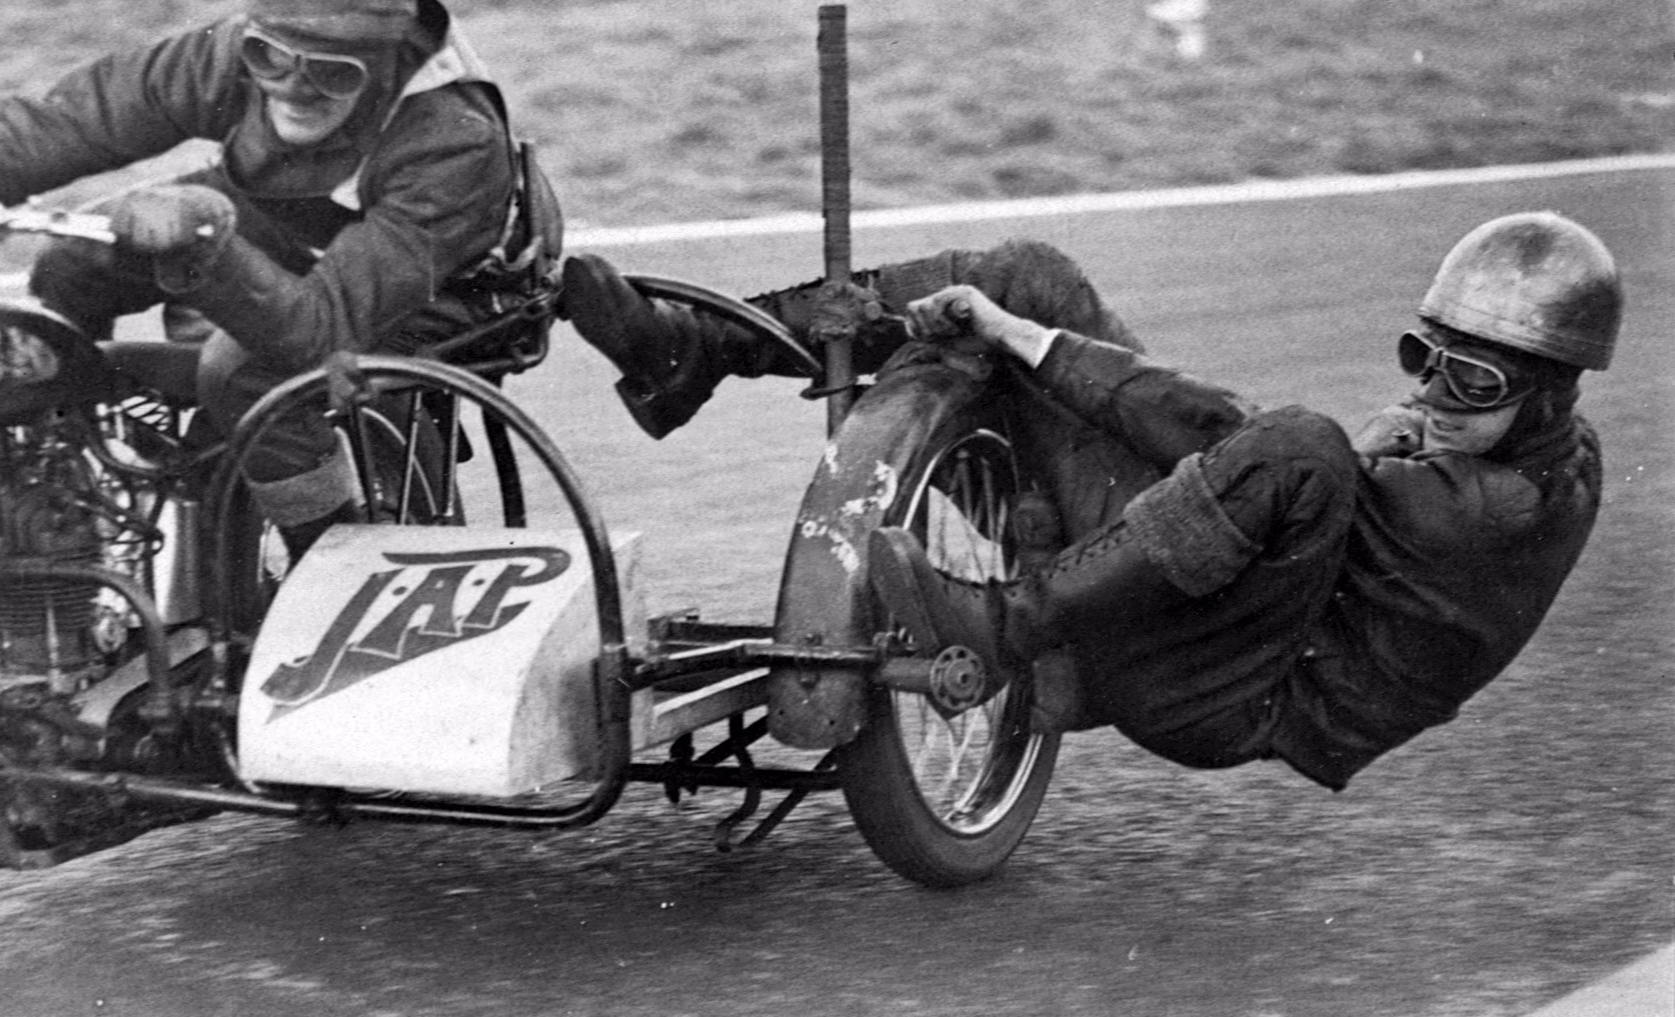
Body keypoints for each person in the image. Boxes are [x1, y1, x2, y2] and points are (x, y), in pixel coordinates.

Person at [562, 215, 1615, 789]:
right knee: (1026, 276)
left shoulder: (1474, 511)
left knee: (1291, 443)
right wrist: (1026, 331)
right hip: (1229, 613)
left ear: (1550, 389)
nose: (1430, 395)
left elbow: (1257, 453)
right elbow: (1232, 453)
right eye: (1421, 359)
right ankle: (693, 348)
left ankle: (1010, 621)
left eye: (1469, 384)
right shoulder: (1540, 450)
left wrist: (1030, 350)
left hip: (1232, 692)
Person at [0, 0, 553, 540]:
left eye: (333, 72)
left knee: (245, 373)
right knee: (73, 267)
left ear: (385, 57)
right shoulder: (237, 57)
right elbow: (66, 124)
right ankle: (68, 503)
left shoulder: (451, 137)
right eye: (271, 58)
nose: (293, 89)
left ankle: (330, 558)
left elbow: (320, 332)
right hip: (292, 219)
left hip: (443, 285)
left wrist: (204, 243)